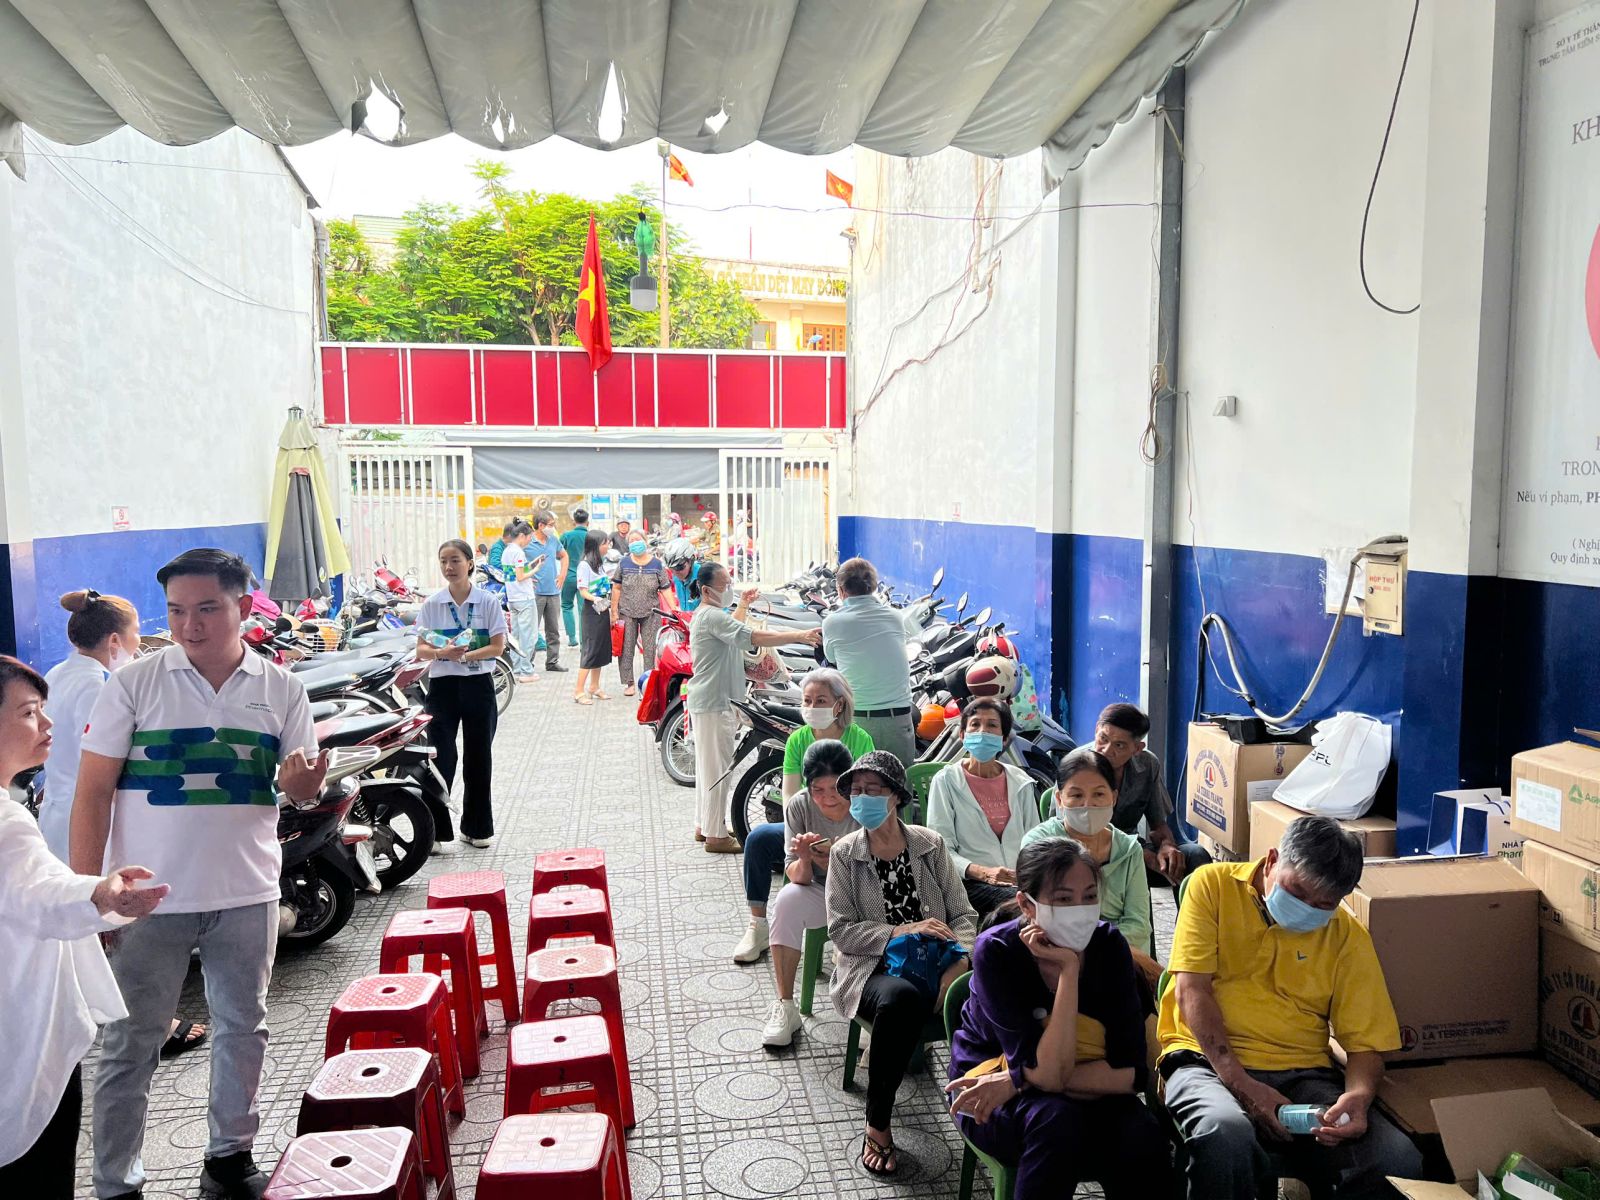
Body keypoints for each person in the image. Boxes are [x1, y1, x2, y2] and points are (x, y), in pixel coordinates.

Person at [71, 548, 328, 1200]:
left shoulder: (283, 690)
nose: (190, 625)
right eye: (177, 611)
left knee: (243, 1028)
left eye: (207, 608)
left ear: (243, 607)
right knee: (131, 1041)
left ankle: (229, 1160)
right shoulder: (134, 683)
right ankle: (116, 1184)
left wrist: (301, 786)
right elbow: (93, 792)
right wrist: (88, 896)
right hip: (147, 900)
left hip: (247, 892)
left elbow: (300, 789)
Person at [1159, 815, 1423, 1200]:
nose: (1306, 909)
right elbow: (1192, 991)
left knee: (1395, 1158)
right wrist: (1242, 1084)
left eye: (1323, 904)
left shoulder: (1346, 935)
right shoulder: (1212, 886)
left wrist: (1359, 1096)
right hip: (1206, 1060)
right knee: (1225, 1132)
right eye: (1297, 891)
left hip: (1301, 1072)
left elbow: (1366, 1044)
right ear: (1271, 861)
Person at [0, 655, 173, 1198]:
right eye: (29, 713)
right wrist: (100, 895)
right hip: (23, 1028)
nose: (47, 724)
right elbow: (40, 894)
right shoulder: (5, 823)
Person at [946, 837, 1177, 1199]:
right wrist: (1069, 972)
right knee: (1056, 1122)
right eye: (1064, 899)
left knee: (1143, 1135)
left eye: (1090, 896)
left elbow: (1130, 1074)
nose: (1080, 910)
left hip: (1055, 1085)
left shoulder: (1109, 946)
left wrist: (1019, 1080)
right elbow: (1047, 1074)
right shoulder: (998, 951)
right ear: (1028, 904)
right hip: (987, 1089)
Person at [43, 590, 208, 1059]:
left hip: (57, 812)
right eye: (135, 635)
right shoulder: (103, 686)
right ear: (115, 640)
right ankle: (152, 1023)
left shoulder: (58, 675)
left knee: (86, 925)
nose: (139, 644)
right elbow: (111, 765)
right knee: (116, 925)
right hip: (93, 814)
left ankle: (121, 1019)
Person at [826, 750, 977, 1176]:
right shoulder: (844, 853)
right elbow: (841, 930)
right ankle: (877, 1123)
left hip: (940, 960)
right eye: (856, 791)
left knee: (1000, 984)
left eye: (873, 790)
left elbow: (963, 915)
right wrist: (901, 930)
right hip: (870, 969)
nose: (862, 798)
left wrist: (960, 962)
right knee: (902, 1000)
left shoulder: (930, 844)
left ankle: (990, 1106)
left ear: (895, 796)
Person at [734, 669, 873, 964]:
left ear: (839, 704)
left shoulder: (860, 739)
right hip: (806, 823)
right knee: (758, 839)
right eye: (807, 700)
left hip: (850, 827)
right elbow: (790, 795)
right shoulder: (797, 739)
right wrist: (803, 835)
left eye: (820, 700)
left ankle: (848, 931)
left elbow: (867, 798)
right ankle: (758, 925)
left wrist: (840, 840)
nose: (812, 707)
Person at [686, 561, 821, 853]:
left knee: (709, 769)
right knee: (718, 771)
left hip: (709, 700)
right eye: (725, 585)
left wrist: (744, 605)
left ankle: (705, 825)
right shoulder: (712, 616)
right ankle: (715, 837)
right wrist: (799, 635)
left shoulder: (708, 615)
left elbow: (733, 629)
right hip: (715, 702)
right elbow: (753, 637)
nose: (729, 588)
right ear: (707, 590)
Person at [754, 739, 861, 1046]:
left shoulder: (866, 802)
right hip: (821, 890)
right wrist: (805, 858)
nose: (827, 798)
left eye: (835, 789)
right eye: (818, 790)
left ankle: (870, 1010)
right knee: (787, 900)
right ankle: (786, 1006)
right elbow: (796, 876)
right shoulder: (799, 805)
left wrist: (836, 857)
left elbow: (882, 865)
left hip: (864, 893)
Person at [1024, 747, 1157, 989]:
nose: (1088, 805)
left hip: (1121, 958)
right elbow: (1042, 920)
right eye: (1076, 795)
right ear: (1059, 799)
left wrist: (1099, 946)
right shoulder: (1038, 845)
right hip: (1056, 959)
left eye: (1099, 794)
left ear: (1114, 798)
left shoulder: (1129, 850)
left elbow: (1138, 923)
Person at [416, 539, 508, 849]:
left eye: (455, 560)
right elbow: (421, 649)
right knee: (439, 757)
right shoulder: (432, 604)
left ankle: (477, 829)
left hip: (478, 685)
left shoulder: (487, 602)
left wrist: (465, 656)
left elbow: (497, 646)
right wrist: (442, 653)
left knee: (478, 757)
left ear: (469, 563)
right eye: (443, 561)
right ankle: (435, 833)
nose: (449, 567)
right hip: (442, 688)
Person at [927, 698, 1042, 917]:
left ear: (1004, 738)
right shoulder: (946, 781)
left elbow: (1034, 842)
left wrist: (1027, 877)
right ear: (962, 735)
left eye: (992, 725)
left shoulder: (1021, 781)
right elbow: (941, 849)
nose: (982, 731)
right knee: (1023, 907)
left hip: (1019, 882)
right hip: (968, 883)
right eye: (975, 724)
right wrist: (983, 873)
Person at [1095, 702, 1210, 886]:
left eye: (1119, 745)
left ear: (1137, 748)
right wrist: (1142, 855)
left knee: (1193, 856)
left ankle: (1193, 906)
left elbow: (1158, 824)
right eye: (1103, 739)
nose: (1107, 750)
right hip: (1090, 859)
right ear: (1096, 730)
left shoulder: (1148, 765)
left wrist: (1167, 845)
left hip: (1135, 851)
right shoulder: (1078, 767)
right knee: (1135, 870)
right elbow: (1077, 837)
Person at [821, 557, 915, 766]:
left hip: (858, 720)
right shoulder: (896, 617)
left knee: (855, 782)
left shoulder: (833, 622)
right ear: (874, 587)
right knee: (898, 782)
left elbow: (831, 659)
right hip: (899, 719)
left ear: (840, 590)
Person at [611, 532, 672, 698]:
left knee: (651, 648)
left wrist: (674, 610)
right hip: (626, 611)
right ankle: (629, 683)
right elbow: (616, 587)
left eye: (638, 540)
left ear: (645, 542)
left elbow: (665, 588)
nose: (635, 543)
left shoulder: (657, 564)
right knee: (626, 648)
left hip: (651, 612)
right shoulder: (624, 563)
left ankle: (649, 682)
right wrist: (614, 611)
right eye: (631, 541)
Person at [574, 530, 615, 705]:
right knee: (590, 651)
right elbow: (583, 591)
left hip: (602, 609)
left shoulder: (599, 564)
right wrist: (595, 598)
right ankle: (578, 691)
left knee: (600, 650)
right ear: (596, 545)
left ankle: (594, 686)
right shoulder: (584, 565)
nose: (608, 546)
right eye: (605, 543)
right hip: (591, 612)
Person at [499, 521, 542, 683]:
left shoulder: (507, 551)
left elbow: (513, 575)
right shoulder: (518, 552)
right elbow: (520, 576)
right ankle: (526, 671)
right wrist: (536, 569)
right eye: (530, 537)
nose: (530, 540)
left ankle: (516, 669)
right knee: (528, 636)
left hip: (513, 598)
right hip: (524, 598)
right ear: (522, 535)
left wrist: (530, 567)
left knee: (516, 635)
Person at [528, 509, 569, 673]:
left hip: (553, 591)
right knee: (532, 630)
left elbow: (564, 556)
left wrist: (562, 575)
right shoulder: (527, 542)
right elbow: (517, 563)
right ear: (540, 525)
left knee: (553, 630)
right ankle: (528, 663)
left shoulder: (553, 540)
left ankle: (552, 662)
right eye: (551, 525)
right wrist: (525, 578)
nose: (553, 527)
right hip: (535, 593)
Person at [560, 508, 591, 648]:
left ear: (574, 522)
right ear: (587, 522)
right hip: (585, 578)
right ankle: (584, 642)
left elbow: (558, 554)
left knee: (566, 606)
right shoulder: (591, 537)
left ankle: (572, 638)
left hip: (568, 575)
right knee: (583, 609)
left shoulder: (566, 536)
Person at [664, 539, 701, 613]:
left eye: (679, 567)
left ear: (691, 561)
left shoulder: (704, 577)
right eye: (671, 569)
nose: (675, 573)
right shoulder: (676, 577)